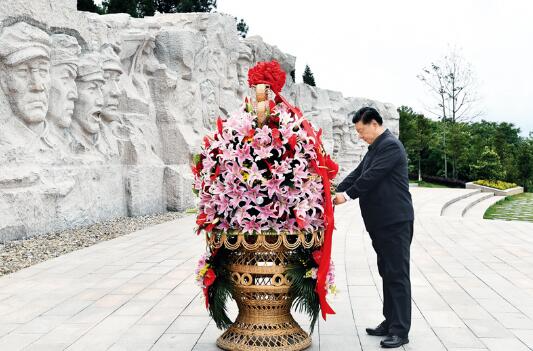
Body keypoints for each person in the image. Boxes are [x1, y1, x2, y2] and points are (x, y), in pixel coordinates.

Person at [334, 107, 414, 348]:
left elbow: (371, 178)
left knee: (397, 275)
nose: (359, 135)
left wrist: (346, 197)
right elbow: (358, 173)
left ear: (374, 124)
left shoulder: (390, 146)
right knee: (387, 272)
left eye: (361, 130)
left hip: (395, 221)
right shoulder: (375, 149)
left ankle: (400, 330)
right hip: (381, 223)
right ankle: (390, 322)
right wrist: (334, 191)